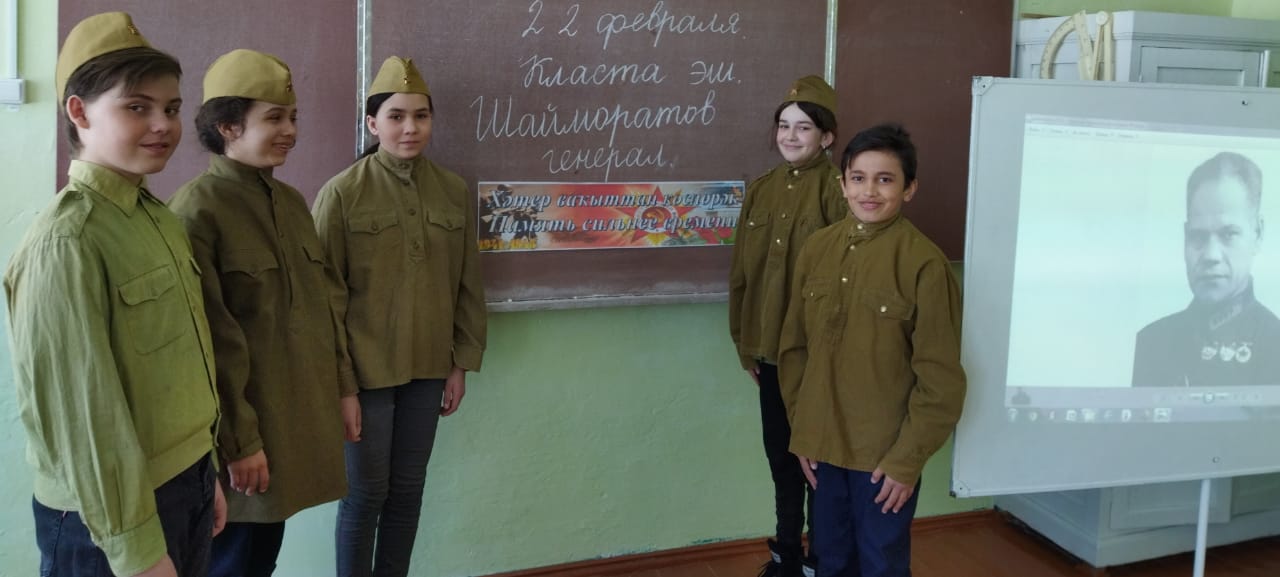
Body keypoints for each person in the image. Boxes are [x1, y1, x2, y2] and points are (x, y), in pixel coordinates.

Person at [4, 12, 225, 577]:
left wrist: (205, 474)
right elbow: (82, 419)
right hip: (106, 519)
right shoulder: (66, 242)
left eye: (171, 108)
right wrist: (136, 550)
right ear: (79, 112)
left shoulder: (157, 218)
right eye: (137, 107)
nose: (162, 125)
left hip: (185, 485)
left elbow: (179, 373)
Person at [168, 49, 361, 577]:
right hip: (242, 437)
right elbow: (210, 345)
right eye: (274, 118)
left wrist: (344, 390)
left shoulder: (293, 203)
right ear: (227, 126)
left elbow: (324, 308)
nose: (290, 131)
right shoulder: (196, 211)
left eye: (293, 117)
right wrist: (240, 443)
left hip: (290, 424)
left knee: (259, 561)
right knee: (230, 563)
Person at [314, 56, 487, 577]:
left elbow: (467, 283)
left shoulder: (452, 190)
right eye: (396, 116)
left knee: (409, 490)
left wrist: (460, 363)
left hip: (428, 368)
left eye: (421, 116)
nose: (410, 127)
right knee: (365, 493)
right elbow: (324, 300)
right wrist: (342, 386)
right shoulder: (343, 193)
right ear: (373, 123)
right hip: (365, 375)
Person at [778, 123, 967, 577]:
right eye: (858, 178)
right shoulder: (817, 249)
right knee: (830, 558)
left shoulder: (924, 264)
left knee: (881, 563)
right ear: (842, 184)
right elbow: (794, 350)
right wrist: (805, 431)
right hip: (823, 447)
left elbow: (940, 381)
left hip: (884, 458)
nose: (869, 191)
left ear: (909, 189)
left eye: (885, 179)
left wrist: (906, 461)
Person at [728, 75, 847, 577]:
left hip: (817, 355)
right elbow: (742, 275)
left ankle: (820, 560)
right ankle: (786, 556)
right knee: (781, 458)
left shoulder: (839, 191)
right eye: (783, 125)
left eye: (804, 127)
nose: (791, 136)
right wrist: (745, 344)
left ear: (827, 136)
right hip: (770, 353)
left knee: (816, 462)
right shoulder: (761, 190)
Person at [1133, 152, 1280, 387]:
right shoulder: (1148, 345)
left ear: (1258, 234)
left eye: (1228, 234)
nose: (1211, 255)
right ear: (1185, 237)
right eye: (1198, 236)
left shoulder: (1275, 346)